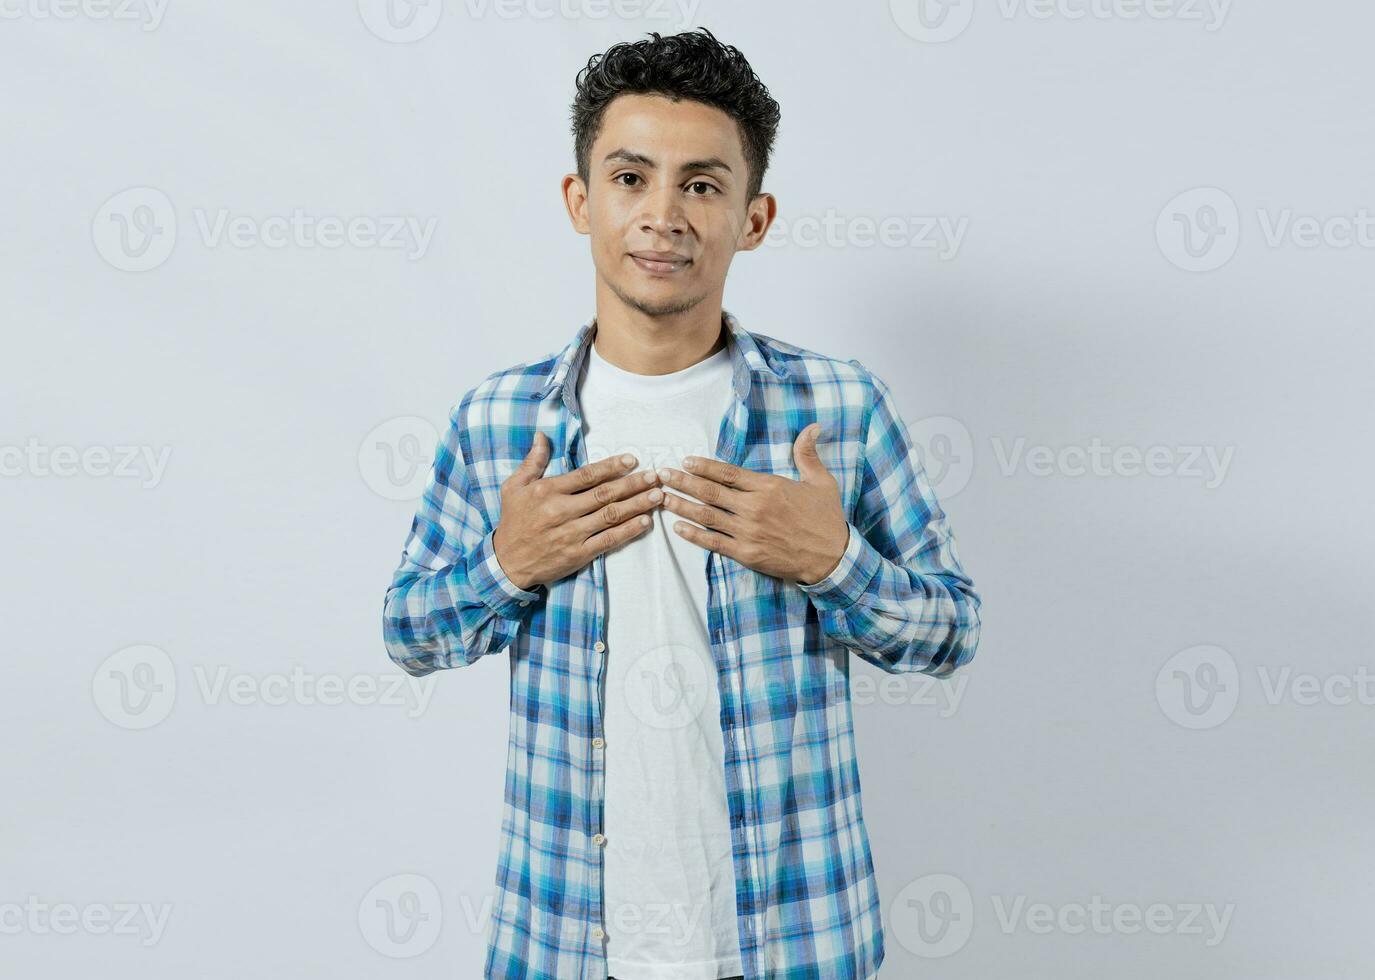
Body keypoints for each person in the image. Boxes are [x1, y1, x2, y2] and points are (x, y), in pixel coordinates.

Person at [382, 27, 981, 980]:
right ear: (580, 201)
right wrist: (508, 566)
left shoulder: (836, 408)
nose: (663, 215)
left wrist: (836, 563)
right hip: (568, 945)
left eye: (701, 184)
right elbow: (409, 632)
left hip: (792, 944)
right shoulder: (500, 418)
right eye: (630, 178)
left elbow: (951, 633)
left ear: (754, 216)